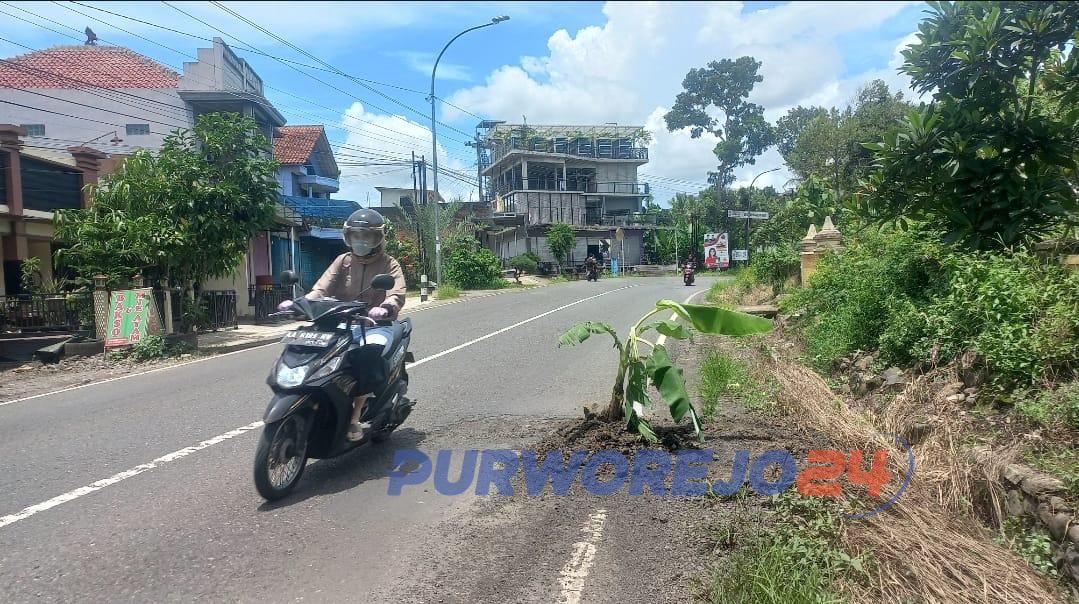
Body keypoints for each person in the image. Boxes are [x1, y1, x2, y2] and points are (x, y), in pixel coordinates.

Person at [278, 208, 407, 441]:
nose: (360, 241)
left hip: (375, 324)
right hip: (341, 322)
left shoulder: (389, 263)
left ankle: (354, 418)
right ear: (348, 236)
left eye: (366, 236)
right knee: (313, 349)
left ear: (378, 238)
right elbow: (321, 288)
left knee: (367, 354)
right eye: (356, 236)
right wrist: (300, 303)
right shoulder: (343, 261)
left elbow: (396, 293)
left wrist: (386, 307)